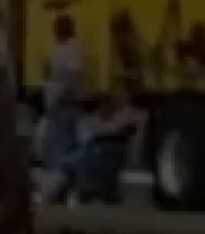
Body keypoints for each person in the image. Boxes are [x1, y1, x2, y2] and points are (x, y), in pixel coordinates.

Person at [49, 82, 143, 205]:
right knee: (72, 160)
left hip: (112, 148)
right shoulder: (106, 112)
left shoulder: (130, 113)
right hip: (97, 146)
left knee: (83, 159)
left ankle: (85, 190)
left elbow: (114, 129)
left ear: (127, 97)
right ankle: (66, 191)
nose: (116, 98)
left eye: (120, 95)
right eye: (114, 95)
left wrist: (101, 125)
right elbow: (91, 125)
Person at [41, 14, 86, 172]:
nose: (54, 31)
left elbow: (74, 75)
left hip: (64, 105)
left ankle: (61, 180)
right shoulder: (61, 48)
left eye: (57, 28)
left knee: (61, 145)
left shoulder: (72, 48)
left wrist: (61, 88)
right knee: (57, 144)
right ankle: (61, 179)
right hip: (58, 105)